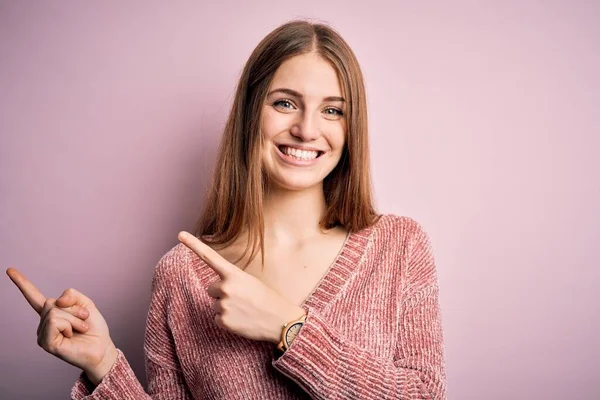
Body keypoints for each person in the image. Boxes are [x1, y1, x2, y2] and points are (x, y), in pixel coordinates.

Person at [6, 19, 447, 399]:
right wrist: (103, 363)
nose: (307, 128)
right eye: (285, 103)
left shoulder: (400, 246)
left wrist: (290, 329)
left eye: (333, 111)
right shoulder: (181, 276)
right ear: (251, 112)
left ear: (352, 129)